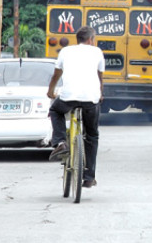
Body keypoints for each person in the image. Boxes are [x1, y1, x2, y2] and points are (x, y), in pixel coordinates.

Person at [47, 26, 105, 188]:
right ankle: (89, 177)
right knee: (92, 136)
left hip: (68, 98)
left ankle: (60, 143)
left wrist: (50, 91)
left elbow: (56, 74)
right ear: (90, 39)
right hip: (90, 100)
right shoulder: (97, 52)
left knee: (55, 110)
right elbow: (100, 77)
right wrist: (100, 93)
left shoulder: (66, 51)